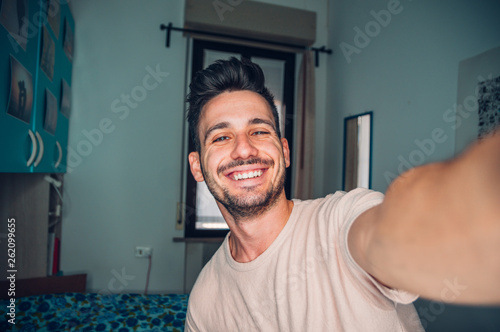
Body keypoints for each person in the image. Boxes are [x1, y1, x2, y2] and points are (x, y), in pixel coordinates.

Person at [184, 57, 500, 331]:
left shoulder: (341, 220)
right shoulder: (205, 299)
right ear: (197, 167)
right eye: (221, 137)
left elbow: (393, 232)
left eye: (259, 131)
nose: (244, 149)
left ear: (284, 151)